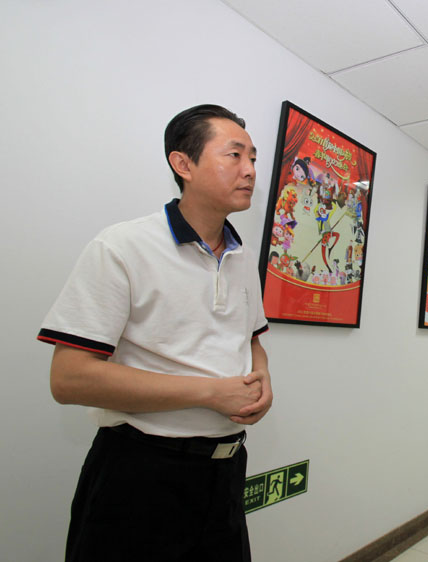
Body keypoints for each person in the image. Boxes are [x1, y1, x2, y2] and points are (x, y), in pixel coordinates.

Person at [37, 104, 272, 561]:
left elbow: (251, 340)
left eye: (254, 158)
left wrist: (262, 380)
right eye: (235, 155)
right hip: (140, 477)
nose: (250, 171)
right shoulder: (122, 246)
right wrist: (209, 393)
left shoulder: (243, 258)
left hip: (225, 474)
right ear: (182, 164)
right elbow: (68, 380)